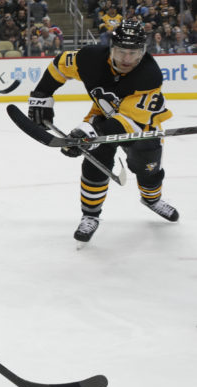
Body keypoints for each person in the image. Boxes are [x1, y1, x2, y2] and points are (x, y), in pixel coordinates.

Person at [27, 20, 177, 244]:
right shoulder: (90, 58)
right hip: (103, 115)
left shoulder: (149, 75)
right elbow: (60, 65)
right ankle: (90, 215)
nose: (127, 59)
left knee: (148, 167)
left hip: (141, 123)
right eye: (121, 51)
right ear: (111, 48)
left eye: (134, 53)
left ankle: (152, 199)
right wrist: (42, 95)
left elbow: (128, 121)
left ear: (143, 51)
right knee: (96, 162)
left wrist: (88, 134)